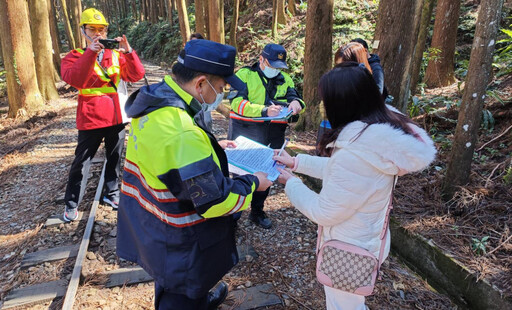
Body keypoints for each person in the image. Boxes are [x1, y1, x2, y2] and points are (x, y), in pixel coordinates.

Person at [116, 39, 273, 310]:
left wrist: (213, 147)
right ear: (201, 83)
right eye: (221, 88)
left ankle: (198, 299)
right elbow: (215, 201)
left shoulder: (158, 100)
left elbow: (169, 157)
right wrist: (254, 183)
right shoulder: (181, 132)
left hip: (153, 221)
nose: (221, 95)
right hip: (181, 237)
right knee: (183, 290)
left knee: (169, 278)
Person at [273, 62, 436, 310]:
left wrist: (291, 183)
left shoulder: (357, 152)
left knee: (343, 306)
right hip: (365, 238)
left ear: (343, 104)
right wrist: (297, 162)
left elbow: (324, 211)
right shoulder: (377, 138)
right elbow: (344, 175)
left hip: (347, 250)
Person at [61, 8, 145, 221]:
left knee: (114, 158)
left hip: (116, 115)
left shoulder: (116, 55)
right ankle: (72, 202)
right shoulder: (74, 56)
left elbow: (137, 74)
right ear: (83, 31)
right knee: (82, 162)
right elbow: (76, 79)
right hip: (90, 117)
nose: (98, 33)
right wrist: (90, 52)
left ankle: (112, 192)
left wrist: (128, 52)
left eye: (102, 29)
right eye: (92, 29)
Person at [228, 43, 305, 229]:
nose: (274, 71)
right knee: (240, 173)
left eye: (278, 67)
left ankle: (257, 211)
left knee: (268, 172)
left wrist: (296, 104)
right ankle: (233, 214)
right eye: (271, 66)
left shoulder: (285, 79)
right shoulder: (244, 75)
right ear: (261, 59)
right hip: (246, 132)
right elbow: (236, 103)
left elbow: (295, 97)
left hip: (274, 134)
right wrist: (263, 110)